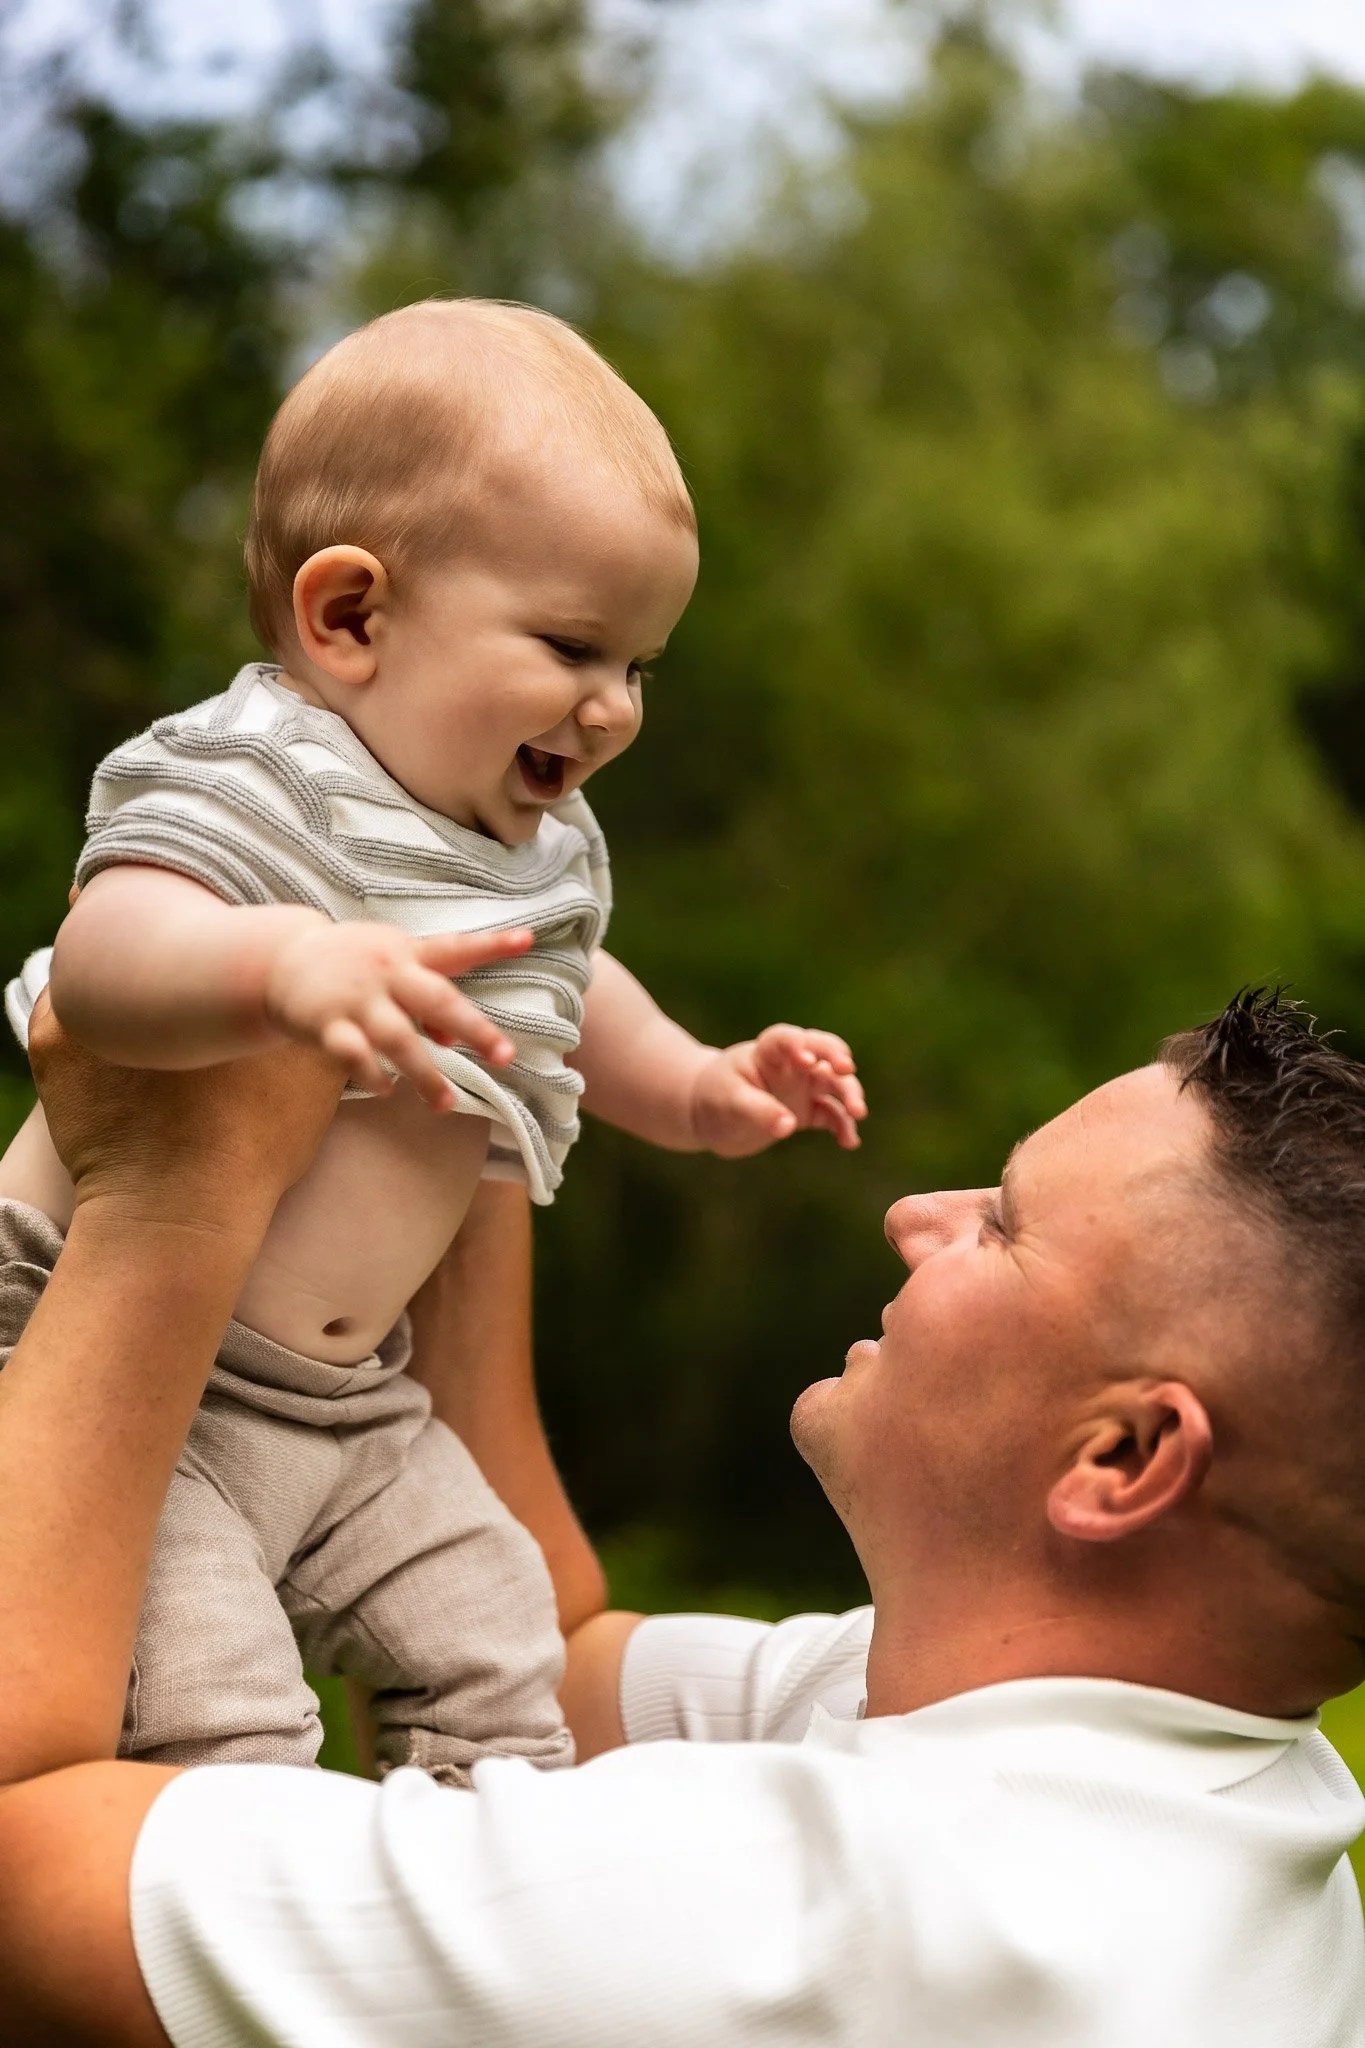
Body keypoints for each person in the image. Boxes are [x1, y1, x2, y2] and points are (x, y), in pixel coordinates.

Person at [3, 986, 1364, 2048]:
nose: (913, 1215)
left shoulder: (795, 1923)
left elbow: (23, 1864)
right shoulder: (1198, 1788)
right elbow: (562, 1648)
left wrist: (162, 1203)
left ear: (1123, 1457)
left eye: (1001, 1225)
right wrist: (474, 1099)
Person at [0, 297, 865, 1784]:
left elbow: (571, 990)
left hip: (357, 1408)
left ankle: (483, 1921)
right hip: (139, 1385)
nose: (613, 709)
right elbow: (104, 960)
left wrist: (699, 1087)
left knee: (499, 1642)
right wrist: (280, 963)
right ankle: (225, 1966)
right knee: (217, 1722)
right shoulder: (268, 768)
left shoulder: (529, 841)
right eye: (577, 647)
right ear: (350, 618)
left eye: (642, 666)